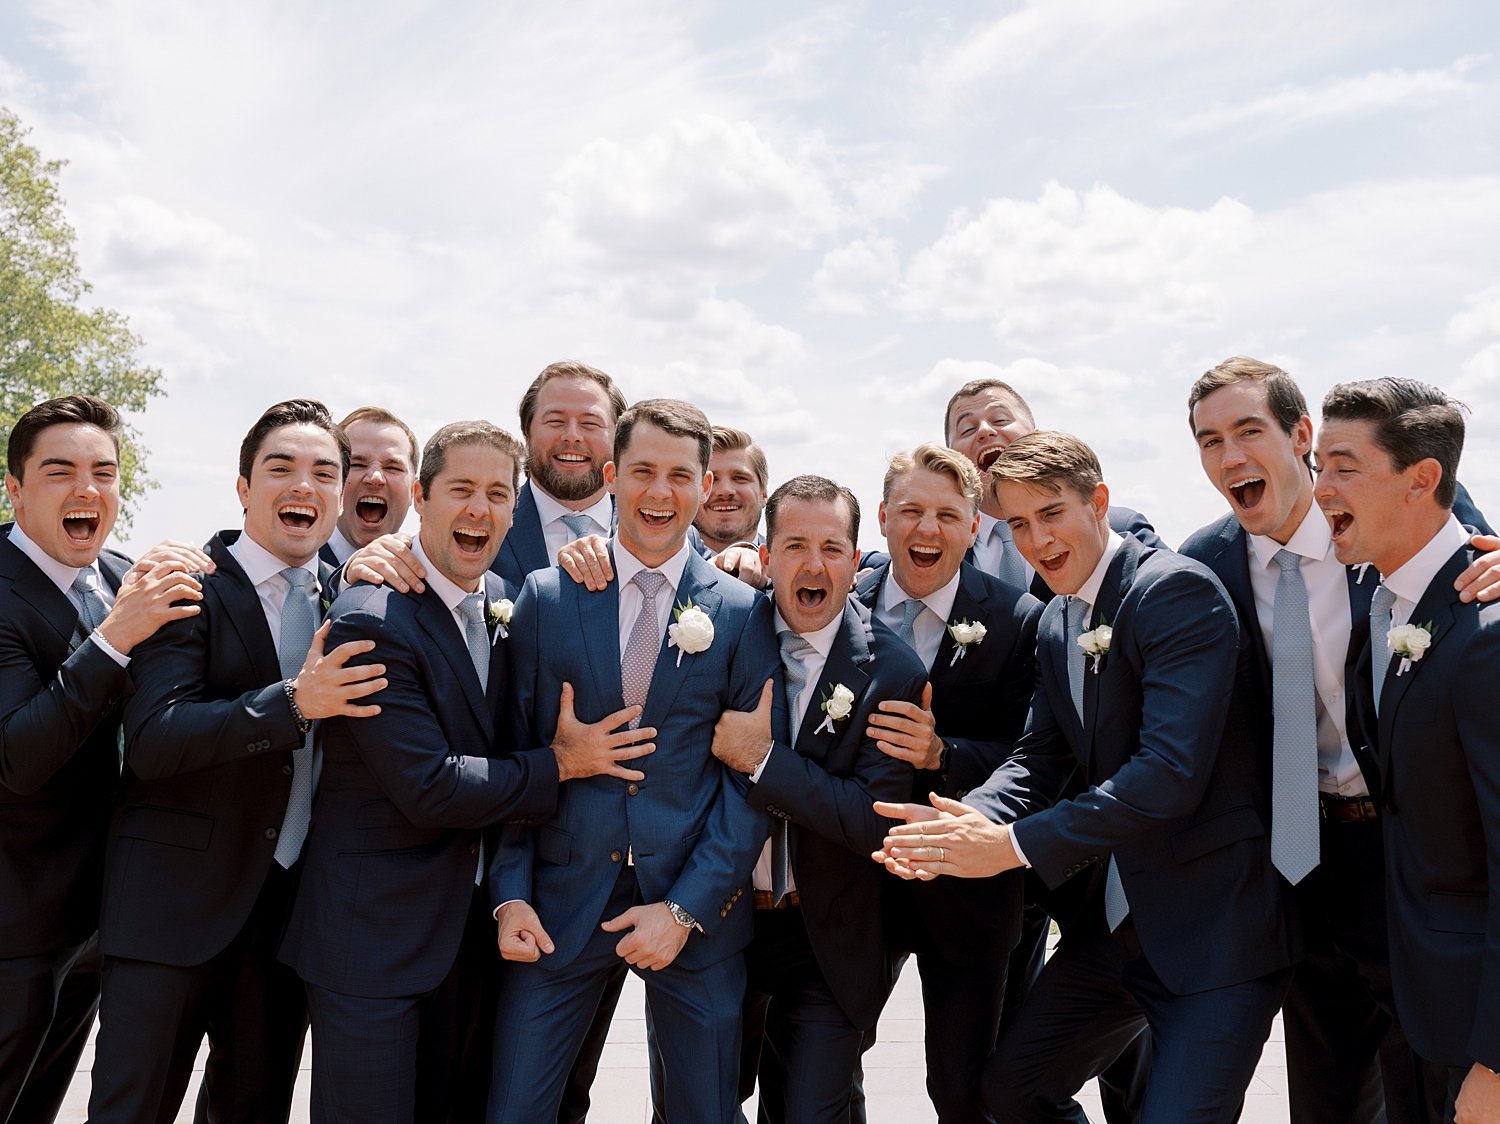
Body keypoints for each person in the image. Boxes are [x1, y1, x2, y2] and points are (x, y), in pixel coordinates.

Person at [876, 430, 1296, 1124]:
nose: (1036, 539)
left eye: (1051, 514)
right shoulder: (1054, 622)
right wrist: (969, 819)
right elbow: (1040, 756)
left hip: (1214, 934)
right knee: (1009, 1094)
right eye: (1017, 524)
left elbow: (1166, 775)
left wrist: (1008, 848)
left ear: (1098, 502)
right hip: (1115, 935)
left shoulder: (1175, 592)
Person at [1182, 358, 1500, 1124]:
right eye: (1208, 439)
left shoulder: (1397, 545)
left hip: (1415, 864)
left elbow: (1463, 568)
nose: (1229, 456)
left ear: (1298, 437)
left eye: (1248, 431)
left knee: (1429, 1081)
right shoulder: (1203, 566)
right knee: (1325, 1094)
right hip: (1300, 862)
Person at [88, 399, 387, 1124]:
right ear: (244, 488)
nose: (304, 486)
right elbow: (155, 739)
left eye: (323, 472)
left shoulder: (355, 596)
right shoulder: (183, 588)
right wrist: (294, 703)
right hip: (169, 911)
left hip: (287, 923)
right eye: (281, 468)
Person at [487, 399, 779, 1124]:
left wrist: (685, 910)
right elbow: (518, 755)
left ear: (706, 487)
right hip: (558, 903)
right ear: (612, 476)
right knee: (516, 1108)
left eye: (680, 475)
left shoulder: (743, 612)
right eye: (642, 470)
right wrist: (510, 892)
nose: (658, 492)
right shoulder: (547, 597)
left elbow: (747, 785)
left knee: (704, 1115)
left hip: (692, 905)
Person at [0, 395, 206, 1124]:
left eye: (104, 472)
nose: (88, 489)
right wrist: (114, 639)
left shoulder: (123, 576)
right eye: (61, 472)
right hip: (11, 926)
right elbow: (17, 758)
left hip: (97, 922)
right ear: (15, 488)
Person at [709, 474, 925, 1122]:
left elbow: (871, 820)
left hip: (827, 934)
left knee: (808, 1110)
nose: (813, 564)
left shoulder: (892, 669)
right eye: (795, 545)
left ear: (855, 563)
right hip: (721, 920)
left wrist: (764, 762)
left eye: (832, 548)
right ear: (766, 554)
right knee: (697, 1104)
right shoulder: (720, 640)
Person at [1314, 378, 1500, 1123]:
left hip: (1470, 1023)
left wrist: (1494, 1058)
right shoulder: (1385, 599)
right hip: (1408, 997)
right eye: (1318, 463)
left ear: (1423, 479)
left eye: (1343, 466)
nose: (1320, 485)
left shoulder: (1486, 637)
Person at [850, 444, 1044, 1123]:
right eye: (909, 511)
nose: (925, 529)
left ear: (972, 528)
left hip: (969, 894)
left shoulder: (1019, 620)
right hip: (854, 886)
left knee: (961, 1089)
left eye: (945, 515)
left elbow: (1036, 756)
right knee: (824, 1063)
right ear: (881, 519)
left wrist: (944, 754)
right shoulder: (838, 606)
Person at [321, 406, 420, 565]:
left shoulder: (429, 577)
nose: (375, 477)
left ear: (415, 492)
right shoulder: (293, 568)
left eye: (392, 468)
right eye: (357, 464)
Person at [694, 425, 769, 556]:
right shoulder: (658, 569)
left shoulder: (788, 570)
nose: (725, 490)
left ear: (764, 494)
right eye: (711, 479)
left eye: (739, 478)